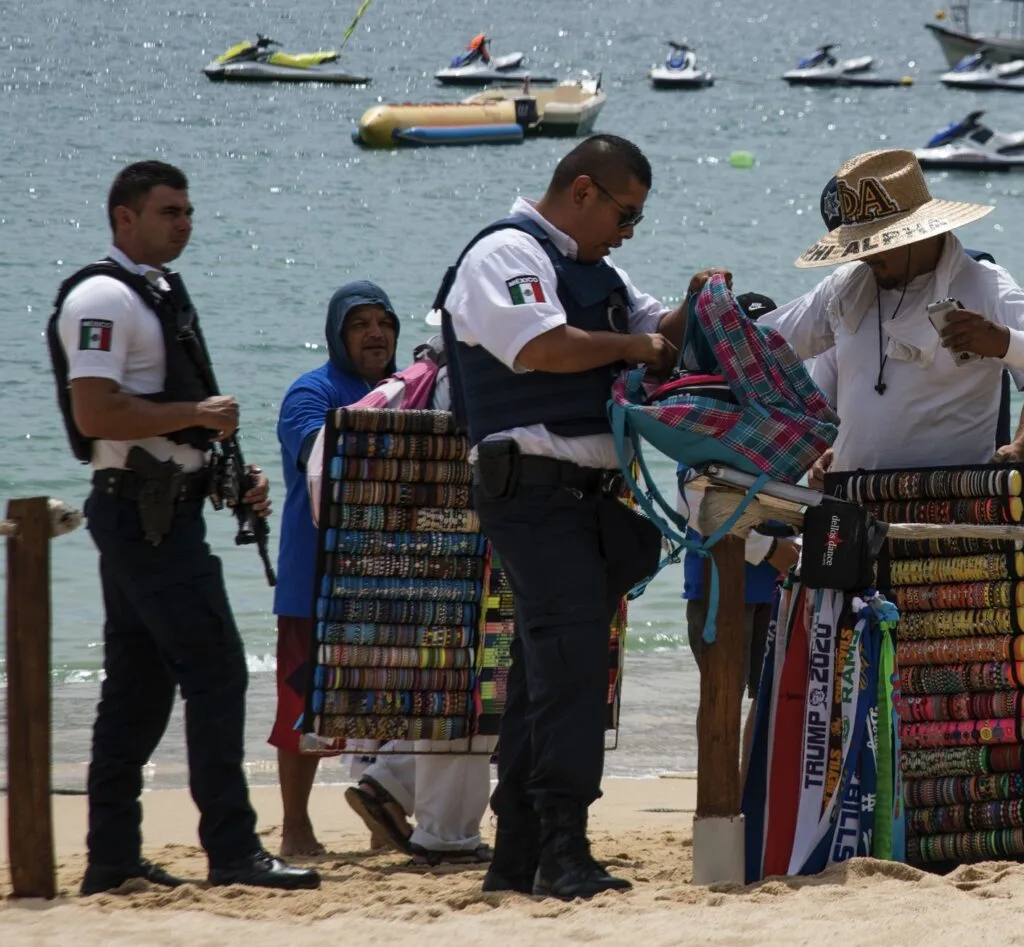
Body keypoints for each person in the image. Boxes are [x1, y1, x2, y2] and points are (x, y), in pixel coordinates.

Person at [440, 134, 710, 899]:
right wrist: (636, 345)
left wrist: (707, 300)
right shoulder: (504, 255)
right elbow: (545, 348)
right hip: (530, 489)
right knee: (572, 666)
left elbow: (669, 332)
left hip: (584, 498)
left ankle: (518, 853)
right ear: (583, 191)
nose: (630, 231)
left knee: (544, 674)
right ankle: (563, 848)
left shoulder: (603, 271)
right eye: (626, 212)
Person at [48, 160, 319, 893]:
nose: (184, 223)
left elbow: (163, 418)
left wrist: (226, 471)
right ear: (123, 217)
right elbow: (97, 412)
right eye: (169, 211)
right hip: (144, 515)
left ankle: (110, 857)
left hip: (163, 509)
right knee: (216, 668)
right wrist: (196, 417)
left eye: (189, 211)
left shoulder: (155, 292)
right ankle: (232, 849)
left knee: (138, 686)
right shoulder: (104, 296)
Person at [273, 284, 493, 863]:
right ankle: (295, 828)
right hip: (315, 580)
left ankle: (382, 820)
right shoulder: (311, 392)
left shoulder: (413, 389)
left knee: (393, 699)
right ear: (336, 335)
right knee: (302, 710)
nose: (374, 334)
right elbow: (324, 455)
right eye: (359, 325)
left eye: (383, 323)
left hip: (392, 574)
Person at [758, 149, 1024, 479]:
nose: (866, 255)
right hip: (850, 503)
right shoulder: (845, 288)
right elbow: (763, 345)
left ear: (919, 232)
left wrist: (1002, 342)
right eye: (861, 244)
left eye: (878, 243)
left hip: (949, 509)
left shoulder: (985, 285)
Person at [678, 292, 800, 781]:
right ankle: (720, 790)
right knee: (721, 691)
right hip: (718, 584)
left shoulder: (779, 418)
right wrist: (771, 550)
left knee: (767, 694)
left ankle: (751, 787)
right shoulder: (706, 414)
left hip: (773, 585)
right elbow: (698, 508)